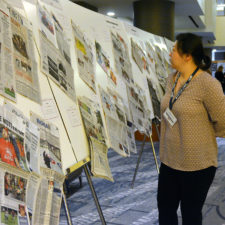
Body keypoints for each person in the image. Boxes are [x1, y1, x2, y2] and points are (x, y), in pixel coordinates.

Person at [158, 33, 225, 225]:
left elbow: (223, 121)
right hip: (169, 159)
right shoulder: (171, 79)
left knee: (190, 214)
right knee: (165, 208)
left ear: (187, 55)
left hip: (197, 163)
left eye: (174, 50)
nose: (170, 54)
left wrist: (202, 133)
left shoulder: (207, 84)